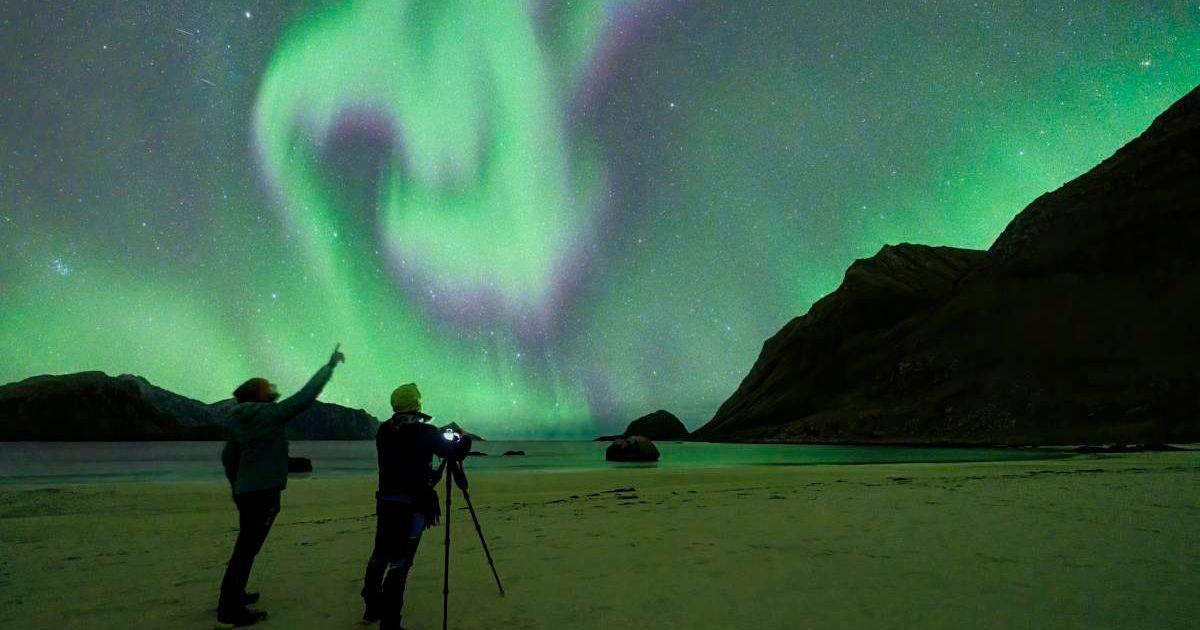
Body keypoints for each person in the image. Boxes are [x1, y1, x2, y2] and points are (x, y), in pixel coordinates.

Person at [216, 345, 346, 628]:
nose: (272, 388)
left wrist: (237, 485)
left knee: (246, 546)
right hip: (261, 492)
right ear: (258, 395)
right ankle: (229, 609)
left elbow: (229, 457)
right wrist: (329, 366)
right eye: (266, 387)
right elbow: (305, 397)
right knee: (247, 548)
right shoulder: (267, 414)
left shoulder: (240, 420)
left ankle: (234, 595)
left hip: (248, 491)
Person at [361, 383, 471, 629]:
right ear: (417, 404)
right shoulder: (425, 433)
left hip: (386, 503)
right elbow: (456, 451)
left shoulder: (384, 430)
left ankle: (371, 606)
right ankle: (390, 621)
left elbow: (406, 455)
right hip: (412, 507)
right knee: (400, 562)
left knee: (380, 554)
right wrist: (462, 436)